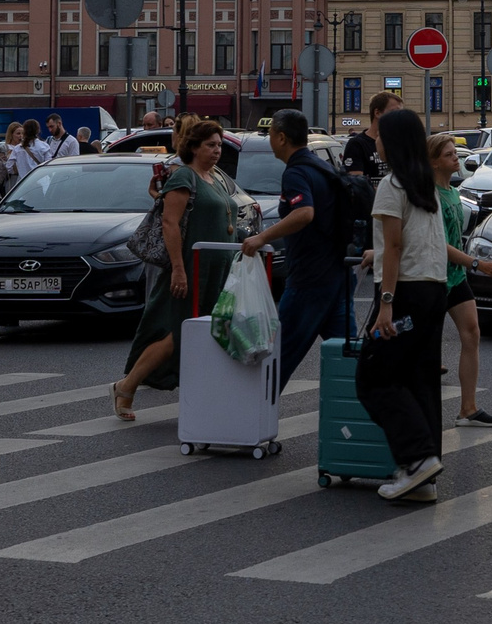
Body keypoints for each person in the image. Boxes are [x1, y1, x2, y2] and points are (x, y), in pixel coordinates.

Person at [357, 107, 453, 500]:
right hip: (434, 290)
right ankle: (422, 479)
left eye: (378, 133)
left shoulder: (392, 185)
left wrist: (386, 303)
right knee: (420, 379)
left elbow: (394, 247)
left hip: (406, 293)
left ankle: (417, 459)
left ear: (392, 141)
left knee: (373, 378)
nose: (373, 138)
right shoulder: (425, 183)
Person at [111, 117, 234, 420]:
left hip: (214, 271)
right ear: (193, 147)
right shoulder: (184, 177)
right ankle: (126, 386)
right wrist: (179, 269)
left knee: (204, 334)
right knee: (177, 335)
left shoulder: (215, 177)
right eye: (210, 145)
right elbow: (170, 223)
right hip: (191, 269)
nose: (217, 150)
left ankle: (204, 398)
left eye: (219, 145)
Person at [247, 109, 357, 390]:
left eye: (271, 133)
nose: (269, 138)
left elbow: (304, 213)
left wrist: (261, 238)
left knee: (278, 356)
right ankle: (356, 420)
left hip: (309, 278)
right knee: (348, 355)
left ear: (282, 138)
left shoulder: (296, 172)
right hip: (338, 272)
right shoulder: (322, 166)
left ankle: (256, 421)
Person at [433, 129, 492, 426]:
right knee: (427, 347)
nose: (455, 159)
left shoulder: (452, 190)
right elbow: (437, 242)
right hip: (434, 278)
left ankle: (468, 408)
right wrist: (476, 263)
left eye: (454, 154)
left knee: (472, 333)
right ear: (434, 162)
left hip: (456, 276)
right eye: (449, 155)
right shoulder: (429, 194)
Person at [342, 92, 397, 178]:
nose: (399, 117)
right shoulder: (357, 144)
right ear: (377, 113)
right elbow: (356, 184)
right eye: (394, 112)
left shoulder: (399, 143)